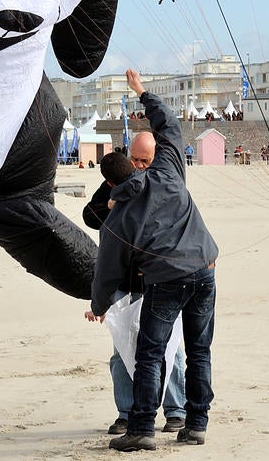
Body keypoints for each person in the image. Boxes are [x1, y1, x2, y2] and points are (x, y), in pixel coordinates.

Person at [87, 69, 218, 451]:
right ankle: (196, 424)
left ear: (111, 184)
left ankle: (143, 427)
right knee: (198, 350)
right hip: (204, 271)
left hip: (169, 279)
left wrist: (99, 306)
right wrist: (142, 92)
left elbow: (106, 270)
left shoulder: (119, 216)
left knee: (150, 352)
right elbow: (169, 123)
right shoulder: (170, 170)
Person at [82, 160, 187, 438]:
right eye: (136, 160)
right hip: (123, 282)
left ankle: (176, 410)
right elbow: (89, 215)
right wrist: (109, 208)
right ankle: (126, 412)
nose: (140, 165)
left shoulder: (158, 183)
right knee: (122, 349)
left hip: (157, 278)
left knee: (170, 347)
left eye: (145, 160)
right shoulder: (113, 185)